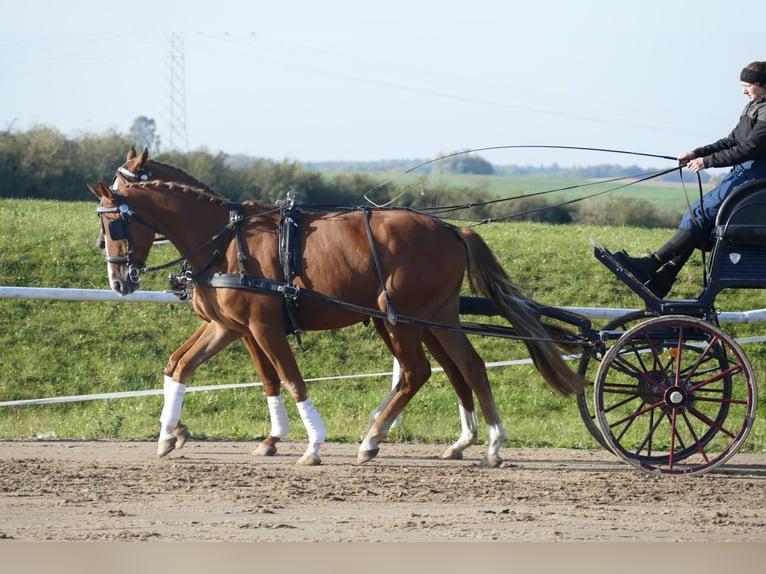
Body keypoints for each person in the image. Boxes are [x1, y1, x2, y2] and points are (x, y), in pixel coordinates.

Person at [615, 61, 766, 298]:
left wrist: (708, 162)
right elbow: (730, 141)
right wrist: (697, 153)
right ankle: (663, 278)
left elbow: (750, 149)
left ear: (763, 85)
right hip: (740, 176)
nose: (744, 90)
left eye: (748, 85)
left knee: (699, 216)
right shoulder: (753, 107)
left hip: (754, 182)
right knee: (697, 216)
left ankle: (652, 266)